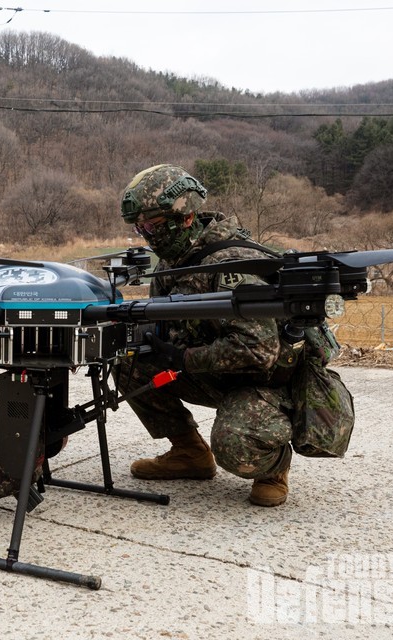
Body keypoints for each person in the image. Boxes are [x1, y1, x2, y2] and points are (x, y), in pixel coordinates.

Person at [115, 164, 300, 507]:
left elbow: (260, 351)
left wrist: (183, 358)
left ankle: (272, 465)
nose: (146, 234)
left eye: (153, 224)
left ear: (185, 217)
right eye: (140, 226)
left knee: (232, 444)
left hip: (266, 382)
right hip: (213, 372)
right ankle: (189, 453)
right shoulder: (173, 262)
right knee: (127, 362)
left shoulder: (233, 262)